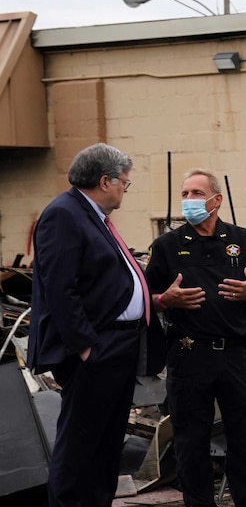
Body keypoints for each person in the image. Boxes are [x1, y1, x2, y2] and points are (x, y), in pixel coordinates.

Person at [27, 143, 160, 507]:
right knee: (82, 444)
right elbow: (59, 287)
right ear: (105, 181)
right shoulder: (64, 215)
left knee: (105, 443)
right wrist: (86, 346)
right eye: (125, 183)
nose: (125, 190)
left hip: (119, 345)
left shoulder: (92, 216)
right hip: (96, 348)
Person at [144, 169, 246, 507]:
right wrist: (164, 300)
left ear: (216, 200)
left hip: (234, 356)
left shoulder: (245, 241)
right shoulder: (166, 246)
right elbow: (145, 297)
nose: (189, 201)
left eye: (196, 194)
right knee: (191, 440)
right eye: (185, 194)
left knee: (243, 437)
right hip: (188, 356)